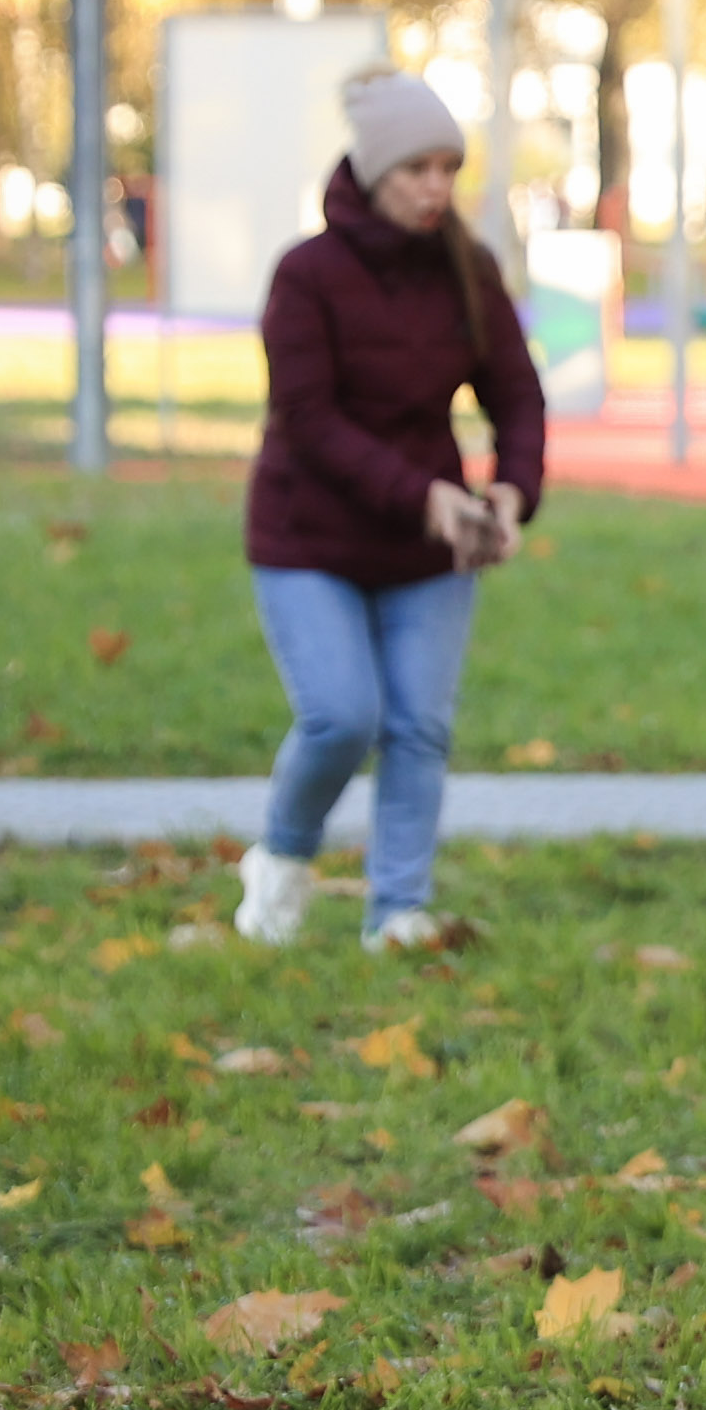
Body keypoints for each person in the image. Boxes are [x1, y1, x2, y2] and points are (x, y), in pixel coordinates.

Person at [237, 72, 544, 955]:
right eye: (416, 167)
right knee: (341, 715)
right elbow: (310, 419)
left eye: (449, 167)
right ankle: (283, 860)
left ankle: (397, 911)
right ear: (373, 171)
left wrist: (511, 490)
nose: (435, 186)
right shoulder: (307, 276)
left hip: (431, 545)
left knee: (418, 724)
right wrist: (425, 496)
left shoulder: (467, 267)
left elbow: (517, 397)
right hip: (309, 538)